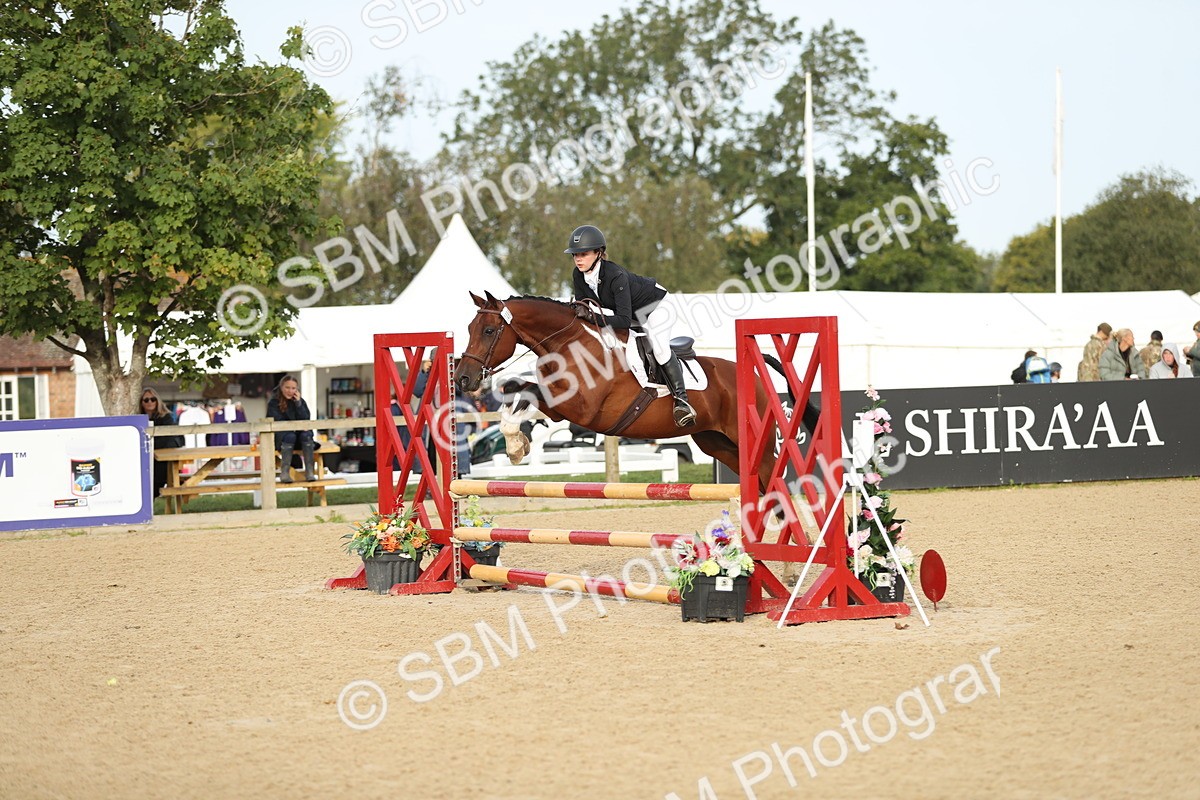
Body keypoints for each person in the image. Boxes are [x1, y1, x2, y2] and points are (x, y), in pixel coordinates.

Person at [566, 224, 695, 427]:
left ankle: (682, 401)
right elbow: (586, 308)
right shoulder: (578, 275)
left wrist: (593, 318)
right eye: (575, 255)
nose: (578, 259)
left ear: (599, 253)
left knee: (660, 349)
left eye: (583, 253)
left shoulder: (615, 275)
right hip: (631, 313)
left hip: (656, 307)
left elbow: (624, 321)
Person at [267, 375, 316, 482]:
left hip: (299, 436)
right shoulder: (273, 403)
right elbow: (278, 421)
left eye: (293, 388)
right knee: (290, 436)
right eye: (287, 388)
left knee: (306, 435)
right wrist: (293, 427)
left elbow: (305, 419)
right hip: (283, 437)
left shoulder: (300, 401)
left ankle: (310, 471)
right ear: (281, 387)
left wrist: (298, 404)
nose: (290, 391)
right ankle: (285, 472)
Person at [138, 388, 183, 498]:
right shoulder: (138, 419)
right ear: (141, 403)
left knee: (156, 483)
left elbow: (170, 438)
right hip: (144, 457)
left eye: (153, 399)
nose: (150, 402)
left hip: (162, 459)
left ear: (157, 401)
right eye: (146, 400)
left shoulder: (166, 417)